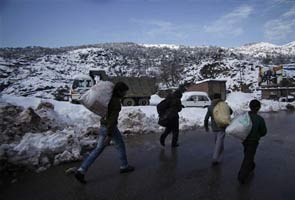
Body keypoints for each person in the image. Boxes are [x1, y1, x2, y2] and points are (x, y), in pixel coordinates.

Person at [75, 82, 134, 184]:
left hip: (103, 126)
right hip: (109, 128)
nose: (125, 94)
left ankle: (82, 170)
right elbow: (112, 120)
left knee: (100, 149)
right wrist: (109, 135)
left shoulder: (108, 99)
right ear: (119, 91)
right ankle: (124, 166)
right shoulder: (115, 102)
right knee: (118, 145)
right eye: (124, 91)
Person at [238, 99, 267, 184]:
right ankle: (241, 176)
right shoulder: (260, 119)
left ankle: (251, 166)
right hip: (253, 141)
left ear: (250, 107)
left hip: (244, 140)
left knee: (248, 154)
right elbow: (264, 132)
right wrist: (258, 135)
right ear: (258, 108)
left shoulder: (244, 117)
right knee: (248, 157)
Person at [204, 93, 232, 165]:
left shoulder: (210, 107)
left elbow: (206, 118)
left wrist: (206, 127)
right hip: (222, 126)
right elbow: (231, 112)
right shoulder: (224, 105)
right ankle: (216, 157)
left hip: (214, 127)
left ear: (213, 98)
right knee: (219, 141)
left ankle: (218, 156)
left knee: (218, 141)